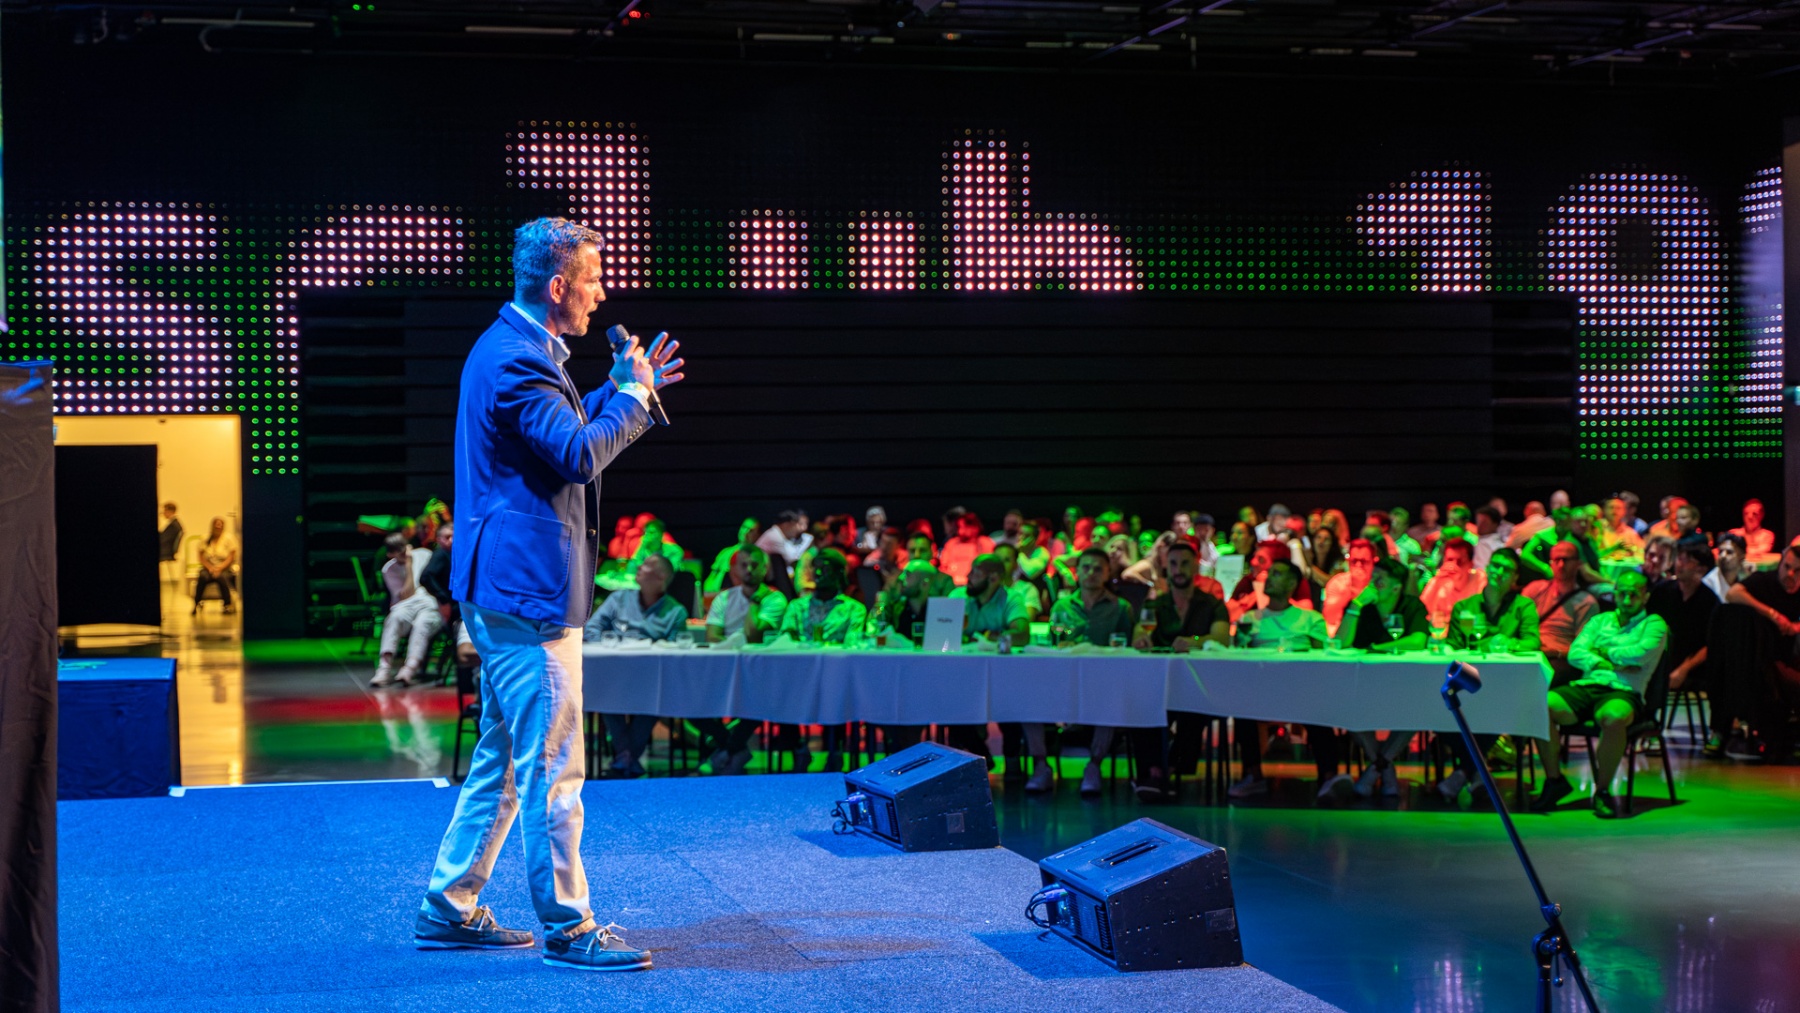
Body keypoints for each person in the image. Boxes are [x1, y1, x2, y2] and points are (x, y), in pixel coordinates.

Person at [419, 218, 679, 969]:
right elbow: (575, 454)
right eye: (592, 280)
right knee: (554, 764)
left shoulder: (513, 348)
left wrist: (620, 390)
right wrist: (630, 396)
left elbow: (552, 433)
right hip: (528, 593)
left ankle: (448, 905)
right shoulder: (517, 360)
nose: (602, 294)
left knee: (504, 757)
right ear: (558, 286)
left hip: (508, 587)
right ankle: (568, 927)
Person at [1532, 571, 1668, 818]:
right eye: (1622, 594)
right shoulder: (1600, 621)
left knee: (1613, 717)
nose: (1627, 600)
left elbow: (1639, 654)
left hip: (1624, 690)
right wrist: (1608, 661)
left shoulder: (1654, 624)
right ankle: (1554, 780)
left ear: (1645, 597)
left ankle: (1603, 791)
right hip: (1589, 684)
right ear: (1615, 595)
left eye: (1633, 595)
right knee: (1541, 706)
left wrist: (1602, 651)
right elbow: (1576, 653)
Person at [1127, 541, 1231, 800]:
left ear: (1195, 567)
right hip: (1159, 685)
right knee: (1141, 705)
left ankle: (1168, 768)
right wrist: (1140, 639)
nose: (1178, 569)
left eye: (1185, 563)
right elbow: (1139, 632)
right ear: (1166, 567)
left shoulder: (1212, 604)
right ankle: (1153, 771)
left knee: (1193, 710)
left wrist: (1194, 641)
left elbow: (1222, 638)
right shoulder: (1155, 604)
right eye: (1173, 563)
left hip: (1200, 685)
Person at [1031, 548, 1137, 795]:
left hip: (1103, 684)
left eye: (1098, 569)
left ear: (1107, 573)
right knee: (1028, 699)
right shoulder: (1062, 606)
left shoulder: (1121, 608)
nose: (1091, 573)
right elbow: (1053, 646)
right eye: (1086, 567)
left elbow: (1127, 649)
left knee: (1112, 700)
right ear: (1077, 571)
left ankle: (1094, 766)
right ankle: (1040, 765)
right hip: (1062, 683)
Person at [1228, 562, 1331, 799]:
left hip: (1303, 692)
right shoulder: (1249, 619)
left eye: (1276, 574)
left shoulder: (1311, 619)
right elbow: (1237, 658)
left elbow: (1325, 661)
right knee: (1241, 707)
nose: (1268, 578)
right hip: (1260, 694)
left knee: (1323, 708)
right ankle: (1253, 775)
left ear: (1292, 583)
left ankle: (1329, 778)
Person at [586, 555, 690, 779]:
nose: (639, 567)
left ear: (661, 577)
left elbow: (676, 654)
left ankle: (624, 757)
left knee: (654, 697)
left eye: (647, 565)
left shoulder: (676, 612)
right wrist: (611, 644)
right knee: (604, 693)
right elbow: (591, 629)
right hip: (614, 675)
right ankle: (628, 757)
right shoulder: (618, 599)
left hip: (651, 680)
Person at [1715, 545, 1800, 762]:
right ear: (1780, 563)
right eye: (1787, 567)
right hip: (1762, 659)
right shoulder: (1765, 581)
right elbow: (1733, 594)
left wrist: (1794, 627)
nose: (1790, 574)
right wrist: (1772, 614)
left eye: (1797, 570)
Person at [1522, 540, 1600, 685]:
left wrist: (1556, 652)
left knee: (1535, 678)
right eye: (1556, 560)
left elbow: (1585, 648)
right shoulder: (1535, 589)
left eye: (1566, 560)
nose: (1561, 565)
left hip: (1560, 659)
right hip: (1530, 651)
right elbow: (1516, 621)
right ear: (1550, 563)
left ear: (1578, 564)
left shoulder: (1586, 602)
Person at [371, 532, 443, 686]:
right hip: (405, 605)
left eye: (403, 548)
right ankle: (384, 668)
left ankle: (410, 668)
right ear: (390, 554)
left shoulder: (424, 555)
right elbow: (407, 594)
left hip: (429, 604)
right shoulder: (389, 569)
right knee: (394, 619)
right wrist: (409, 565)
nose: (403, 553)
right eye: (397, 551)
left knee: (422, 624)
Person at [1651, 542, 1720, 694]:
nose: (1679, 564)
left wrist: (1684, 669)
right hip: (1659, 660)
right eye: (1679, 558)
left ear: (1701, 569)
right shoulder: (1662, 591)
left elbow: (1712, 644)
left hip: (1694, 667)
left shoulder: (1710, 601)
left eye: (1687, 560)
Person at [777, 548, 868, 643]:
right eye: (815, 567)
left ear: (839, 573)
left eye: (825, 569)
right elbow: (784, 643)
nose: (818, 572)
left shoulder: (854, 610)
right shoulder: (797, 607)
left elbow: (852, 646)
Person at [703, 547, 786, 645]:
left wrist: (754, 601)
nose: (749, 570)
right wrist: (736, 647)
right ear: (736, 569)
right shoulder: (723, 598)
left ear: (764, 568)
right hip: (727, 652)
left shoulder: (775, 599)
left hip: (760, 653)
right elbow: (711, 637)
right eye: (744, 565)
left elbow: (752, 635)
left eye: (754, 565)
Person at [1321, 538, 1377, 636]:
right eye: (1354, 561)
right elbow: (1329, 618)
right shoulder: (1337, 582)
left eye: (1364, 561)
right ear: (1348, 560)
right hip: (1343, 632)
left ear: (1374, 561)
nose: (1358, 565)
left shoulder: (1379, 582)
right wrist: (1348, 593)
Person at [193, 516, 238, 615]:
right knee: (203, 576)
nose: (218, 527)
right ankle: (196, 603)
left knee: (221, 577)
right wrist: (210, 568)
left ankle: (227, 604)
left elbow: (231, 557)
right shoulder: (205, 538)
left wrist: (219, 568)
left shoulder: (229, 538)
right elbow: (201, 556)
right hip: (208, 567)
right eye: (216, 525)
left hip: (224, 567)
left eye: (220, 525)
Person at [704, 517, 759, 594]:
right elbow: (712, 576)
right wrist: (707, 592)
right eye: (744, 527)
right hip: (714, 595)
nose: (745, 532)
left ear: (757, 535)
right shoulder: (725, 552)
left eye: (751, 531)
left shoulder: (756, 556)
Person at [939, 512, 995, 586]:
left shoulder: (985, 543)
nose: (960, 531)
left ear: (974, 527)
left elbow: (988, 565)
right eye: (959, 527)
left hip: (975, 584)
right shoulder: (951, 543)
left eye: (963, 527)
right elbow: (943, 566)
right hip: (952, 584)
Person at [756, 509, 811, 575]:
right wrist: (811, 547)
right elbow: (791, 560)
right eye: (794, 526)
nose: (796, 530)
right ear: (786, 525)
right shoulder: (775, 537)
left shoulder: (776, 534)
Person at [1595, 497, 1644, 562]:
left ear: (1624, 511)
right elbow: (1592, 555)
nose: (1614, 511)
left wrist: (1632, 552)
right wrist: (1614, 548)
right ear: (1604, 510)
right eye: (1611, 507)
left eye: (1618, 508)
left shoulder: (1630, 533)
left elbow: (1642, 553)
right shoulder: (1596, 529)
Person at [1703, 532, 1748, 602]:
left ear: (1742, 556)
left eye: (1729, 552)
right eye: (1720, 552)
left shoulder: (1747, 578)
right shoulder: (1709, 583)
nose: (1723, 556)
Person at [1732, 498, 1777, 563]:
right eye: (1746, 513)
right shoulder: (1734, 534)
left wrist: (1739, 549)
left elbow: (1760, 552)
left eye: (1754, 514)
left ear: (1761, 516)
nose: (1750, 517)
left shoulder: (1767, 535)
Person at [1471, 505, 1508, 570]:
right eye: (1478, 522)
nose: (1480, 526)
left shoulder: (1485, 544)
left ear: (1495, 524)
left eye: (1484, 522)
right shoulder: (1478, 540)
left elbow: (1481, 568)